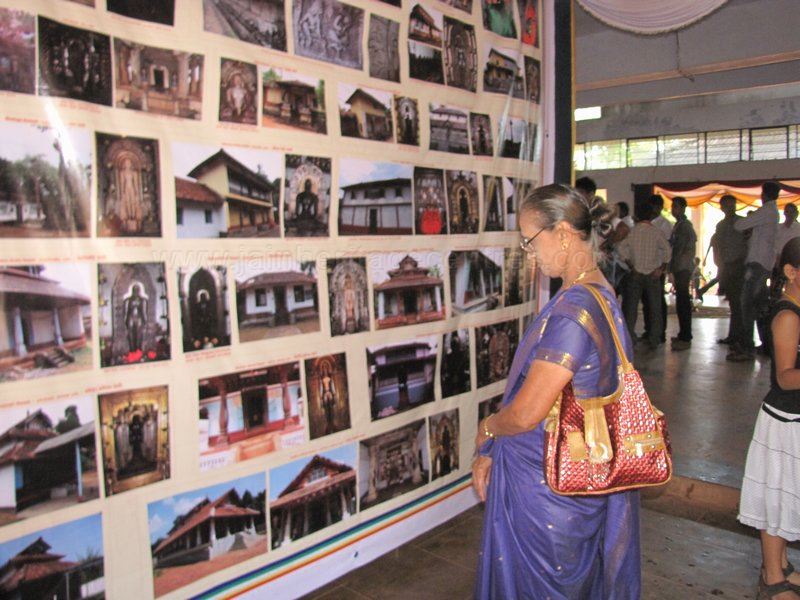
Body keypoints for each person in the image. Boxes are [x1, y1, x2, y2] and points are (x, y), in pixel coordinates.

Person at [473, 184, 640, 599]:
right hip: (566, 472)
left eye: (530, 241)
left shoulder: (573, 311)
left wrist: (488, 429)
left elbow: (527, 412)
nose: (529, 253)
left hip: (547, 487)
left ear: (563, 233)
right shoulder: (598, 290)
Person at [738, 236, 800, 600]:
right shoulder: (788, 315)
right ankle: (773, 576)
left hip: (794, 418)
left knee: (788, 494)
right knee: (777, 496)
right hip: (784, 421)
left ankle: (781, 565)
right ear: (791, 272)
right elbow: (785, 377)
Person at [729, 182, 780, 361]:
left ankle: (747, 348)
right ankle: (767, 345)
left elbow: (740, 225)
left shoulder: (766, 211)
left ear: (764, 194)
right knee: (761, 307)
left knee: (747, 305)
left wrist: (749, 219)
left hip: (757, 264)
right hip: (764, 263)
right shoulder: (773, 211)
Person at [618, 202, 672, 350]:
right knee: (655, 309)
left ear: (636, 216)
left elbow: (621, 249)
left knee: (631, 309)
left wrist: (631, 265)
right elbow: (668, 251)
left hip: (636, 273)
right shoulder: (656, 232)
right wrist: (661, 268)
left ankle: (630, 339)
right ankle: (654, 339)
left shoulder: (633, 232)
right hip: (652, 275)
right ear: (652, 215)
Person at [710, 195, 746, 345]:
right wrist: (720, 266)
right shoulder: (720, 225)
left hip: (740, 266)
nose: (730, 208)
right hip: (727, 267)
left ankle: (740, 338)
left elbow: (748, 244)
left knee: (740, 304)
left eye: (732, 205)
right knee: (733, 304)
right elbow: (718, 247)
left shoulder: (743, 223)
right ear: (722, 208)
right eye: (727, 205)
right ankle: (733, 336)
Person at [669, 196, 697, 351]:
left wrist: (673, 267)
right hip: (680, 266)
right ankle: (682, 334)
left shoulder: (685, 226)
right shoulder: (678, 225)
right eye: (672, 207)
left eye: (676, 207)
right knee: (681, 301)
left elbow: (680, 248)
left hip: (683, 267)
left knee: (683, 302)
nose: (673, 210)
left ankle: (686, 337)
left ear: (683, 208)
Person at [643, 194, 672, 343]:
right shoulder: (646, 223)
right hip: (645, 266)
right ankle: (649, 330)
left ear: (659, 208)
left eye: (654, 207)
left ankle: (660, 332)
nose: (652, 209)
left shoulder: (664, 224)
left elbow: (667, 248)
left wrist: (663, 267)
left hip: (657, 267)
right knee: (647, 301)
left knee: (658, 302)